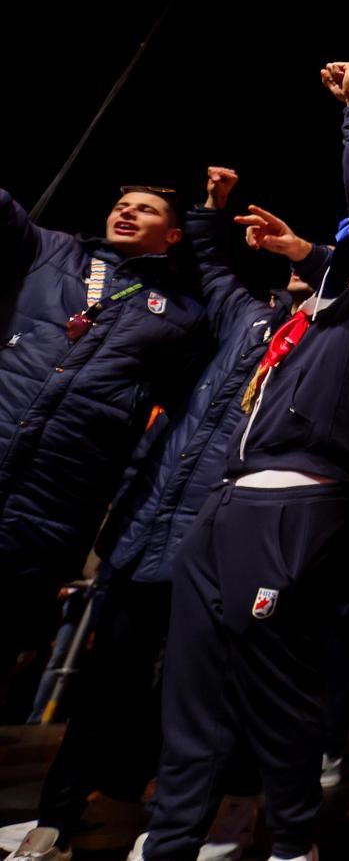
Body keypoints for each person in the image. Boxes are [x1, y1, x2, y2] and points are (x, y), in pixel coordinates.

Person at [138, 62, 349, 861]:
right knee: (191, 690)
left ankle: (293, 842)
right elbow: (319, 259)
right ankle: (170, 842)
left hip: (296, 506)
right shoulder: (304, 318)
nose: (346, 240)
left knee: (276, 690)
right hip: (225, 507)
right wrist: (290, 245)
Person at [4, 168, 334, 861]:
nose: (300, 274)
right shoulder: (245, 316)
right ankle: (58, 817)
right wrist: (213, 208)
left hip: (225, 535)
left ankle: (200, 821)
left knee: (205, 691)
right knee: (105, 683)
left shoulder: (339, 338)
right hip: (149, 525)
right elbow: (208, 262)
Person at [0, 180, 206, 679]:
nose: (127, 213)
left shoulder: (184, 315)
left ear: (174, 235)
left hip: (53, 504)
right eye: (121, 206)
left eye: (145, 210)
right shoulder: (54, 251)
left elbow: (175, 418)